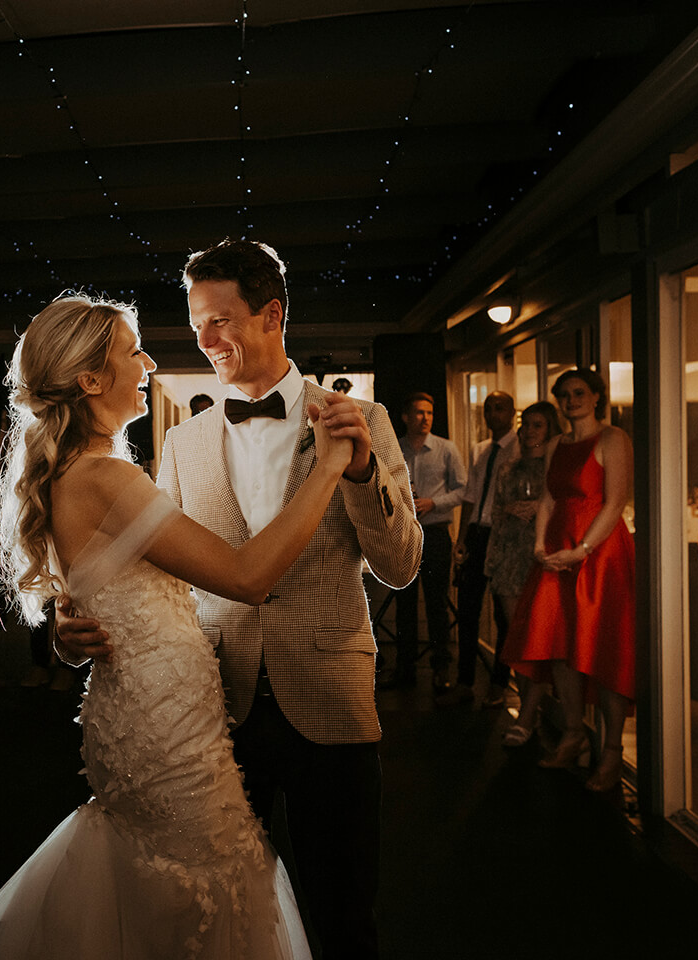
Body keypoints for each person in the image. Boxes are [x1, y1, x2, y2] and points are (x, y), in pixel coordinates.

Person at [60, 240, 422, 959]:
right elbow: (147, 575)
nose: (204, 338)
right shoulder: (183, 441)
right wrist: (68, 629)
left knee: (344, 913)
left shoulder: (362, 420)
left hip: (330, 700)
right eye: (197, 322)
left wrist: (355, 477)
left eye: (220, 320)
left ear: (272, 315)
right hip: (213, 709)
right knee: (224, 913)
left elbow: (403, 565)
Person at [0, 292, 355, 959]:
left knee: (170, 890)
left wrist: (67, 629)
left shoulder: (80, 473)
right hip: (162, 728)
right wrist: (328, 468)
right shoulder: (105, 477)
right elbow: (244, 577)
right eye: (131, 351)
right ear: (91, 380)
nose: (147, 362)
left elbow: (103, 591)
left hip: (143, 713)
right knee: (206, 890)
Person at [502, 369, 635, 792]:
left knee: (604, 646)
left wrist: (582, 551)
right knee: (558, 644)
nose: (571, 399)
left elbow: (615, 503)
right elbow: (548, 498)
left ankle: (612, 751)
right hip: (557, 551)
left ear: (597, 396)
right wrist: (540, 546)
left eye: (579, 393)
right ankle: (575, 733)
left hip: (600, 553)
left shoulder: (614, 439)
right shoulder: (557, 443)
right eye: (564, 394)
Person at [484, 401, 560, 746]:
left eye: (538, 425)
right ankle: (532, 710)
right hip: (510, 558)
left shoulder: (556, 468)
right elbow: (496, 515)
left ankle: (528, 716)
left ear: (551, 429)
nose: (530, 432)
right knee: (517, 640)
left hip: (541, 559)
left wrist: (544, 510)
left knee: (538, 640)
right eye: (526, 425)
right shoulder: (509, 468)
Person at [381, 391, 465, 691]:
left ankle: (441, 670)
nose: (425, 418)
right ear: (405, 417)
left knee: (436, 604)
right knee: (404, 604)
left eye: (429, 413)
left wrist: (434, 503)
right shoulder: (394, 448)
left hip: (435, 532)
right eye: (419, 413)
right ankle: (405, 669)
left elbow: (462, 491)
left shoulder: (446, 448)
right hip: (403, 533)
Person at [446, 391, 517, 707]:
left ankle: (500, 683)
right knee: (468, 609)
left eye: (500, 408)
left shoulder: (521, 448)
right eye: (488, 408)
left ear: (512, 412)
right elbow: (471, 496)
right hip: (477, 532)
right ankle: (465, 681)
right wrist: (461, 538)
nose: (493, 414)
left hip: (503, 534)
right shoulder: (480, 450)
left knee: (504, 615)